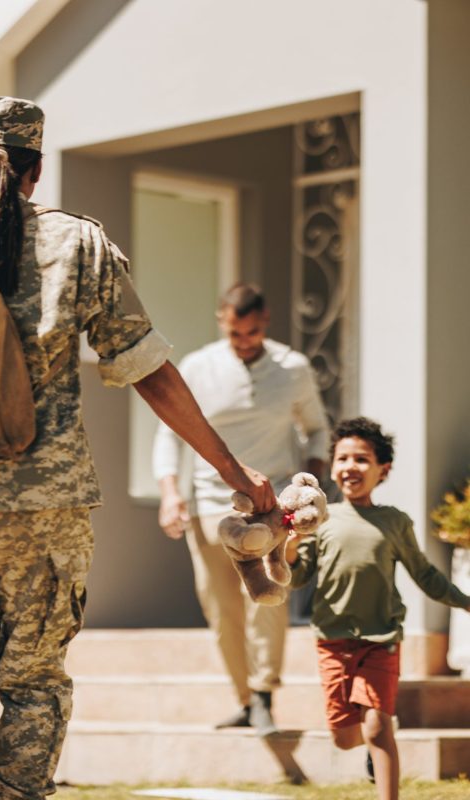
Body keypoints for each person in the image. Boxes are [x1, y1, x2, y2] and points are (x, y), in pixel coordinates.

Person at [0, 97, 275, 800]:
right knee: (33, 679)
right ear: (36, 168)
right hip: (46, 504)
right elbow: (149, 372)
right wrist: (234, 471)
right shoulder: (78, 245)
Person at [152, 283, 329, 735]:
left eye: (251, 332)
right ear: (222, 322)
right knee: (220, 607)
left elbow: (315, 430)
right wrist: (171, 494)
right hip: (212, 505)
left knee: (268, 597)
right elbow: (170, 434)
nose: (244, 340)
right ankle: (245, 700)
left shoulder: (293, 367)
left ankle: (265, 693)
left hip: (272, 508)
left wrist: (308, 481)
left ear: (264, 323)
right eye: (236, 333)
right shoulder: (198, 366)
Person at [286, 417, 470, 800]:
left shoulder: (394, 522)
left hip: (381, 638)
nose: (351, 466)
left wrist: (466, 602)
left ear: (382, 469)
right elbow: (299, 577)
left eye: (362, 459)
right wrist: (287, 546)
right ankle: (375, 740)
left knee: (375, 727)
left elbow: (426, 575)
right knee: (343, 736)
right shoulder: (319, 521)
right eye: (343, 458)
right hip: (332, 641)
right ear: (333, 467)